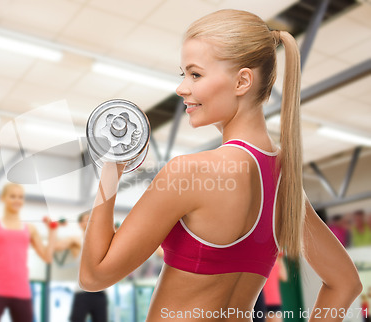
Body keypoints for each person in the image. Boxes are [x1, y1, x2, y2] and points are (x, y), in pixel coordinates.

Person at [79, 9, 362, 322]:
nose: (181, 88)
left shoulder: (189, 172)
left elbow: (94, 275)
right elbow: (345, 283)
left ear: (242, 81)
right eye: (182, 75)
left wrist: (111, 167)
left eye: (195, 74)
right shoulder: (285, 181)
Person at [0, 183, 57, 322]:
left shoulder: (30, 228)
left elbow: (47, 257)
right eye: (13, 196)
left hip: (21, 291)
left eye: (20, 197)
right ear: (3, 198)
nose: (17, 200)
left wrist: (52, 232)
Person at [55, 212, 108, 322]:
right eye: (87, 219)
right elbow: (57, 247)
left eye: (92, 219)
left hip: (100, 293)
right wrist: (58, 227)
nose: (90, 220)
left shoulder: (101, 243)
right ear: (80, 224)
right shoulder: (76, 241)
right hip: (82, 292)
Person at [263, 254, 288, 322]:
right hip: (261, 301)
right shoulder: (259, 257)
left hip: (274, 300)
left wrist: (280, 257)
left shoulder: (276, 259)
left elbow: (284, 277)